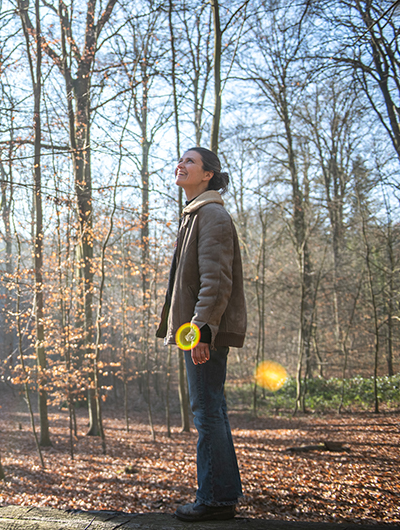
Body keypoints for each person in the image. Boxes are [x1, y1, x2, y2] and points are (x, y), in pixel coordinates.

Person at [156, 147, 246, 522]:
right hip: (198, 329)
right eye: (181, 160)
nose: (181, 164)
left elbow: (216, 280)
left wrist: (202, 330)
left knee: (207, 412)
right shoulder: (195, 215)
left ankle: (215, 499)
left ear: (208, 174)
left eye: (190, 161)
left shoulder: (211, 215)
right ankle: (221, 496)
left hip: (203, 330)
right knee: (212, 411)